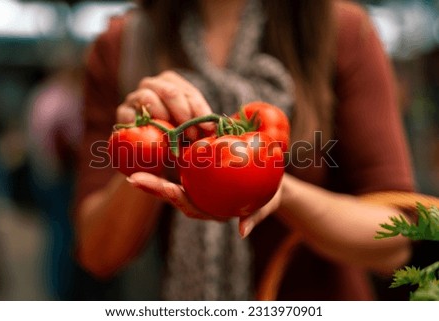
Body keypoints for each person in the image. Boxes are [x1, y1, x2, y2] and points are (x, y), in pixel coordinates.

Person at [73, 0, 415, 300]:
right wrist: (148, 154)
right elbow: (98, 254)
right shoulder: (124, 45)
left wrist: (280, 192)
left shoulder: (339, 30)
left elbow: (397, 237)